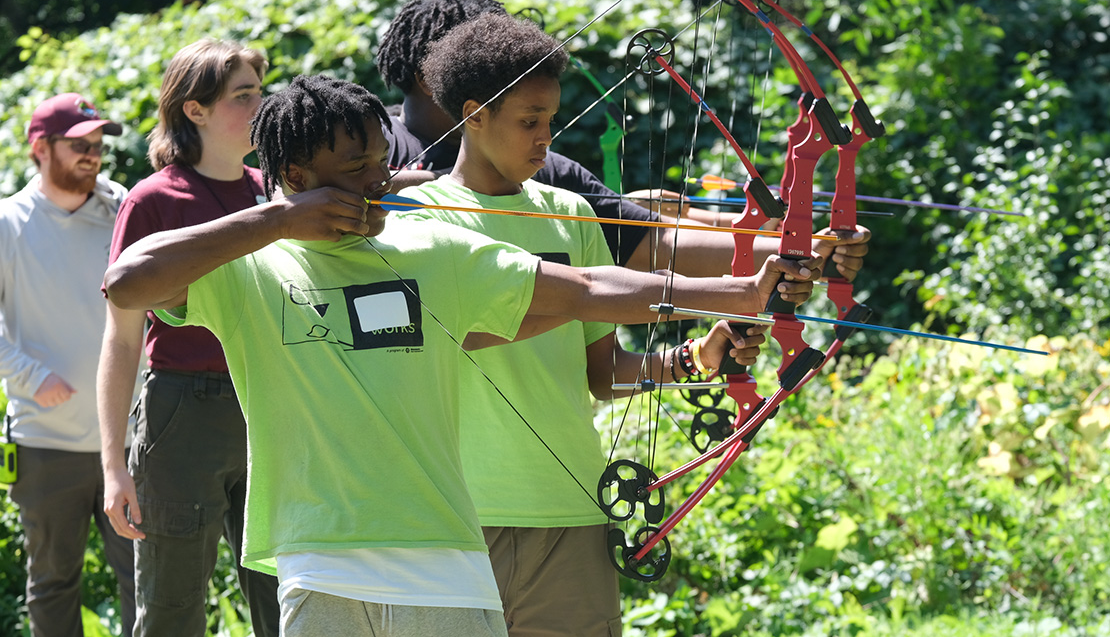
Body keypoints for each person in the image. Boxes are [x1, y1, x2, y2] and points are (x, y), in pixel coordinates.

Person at [102, 74, 817, 637]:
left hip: (441, 566)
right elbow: (126, 280)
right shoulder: (248, 267)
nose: (378, 183)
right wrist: (280, 219)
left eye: (381, 165)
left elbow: (589, 286)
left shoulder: (431, 250)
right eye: (353, 171)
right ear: (293, 172)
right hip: (317, 564)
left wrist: (739, 293)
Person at [375, 0, 870, 280]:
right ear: (434, 72)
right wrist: (424, 190)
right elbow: (305, 198)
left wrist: (803, 248)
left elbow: (654, 242)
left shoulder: (541, 170)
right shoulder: (371, 141)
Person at [96, 39, 280, 637]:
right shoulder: (152, 201)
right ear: (194, 109)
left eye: (260, 91)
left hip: (273, 406)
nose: (261, 105)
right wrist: (113, 466)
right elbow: (121, 340)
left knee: (288, 599)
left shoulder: (275, 194)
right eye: (243, 95)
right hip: (182, 415)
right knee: (172, 608)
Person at [0, 93, 137, 636]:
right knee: (54, 581)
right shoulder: (8, 222)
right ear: (40, 148)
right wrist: (32, 377)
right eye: (79, 145)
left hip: (130, 439)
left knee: (141, 576)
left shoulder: (122, 205)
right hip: (45, 443)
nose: (93, 155)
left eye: (99, 146)